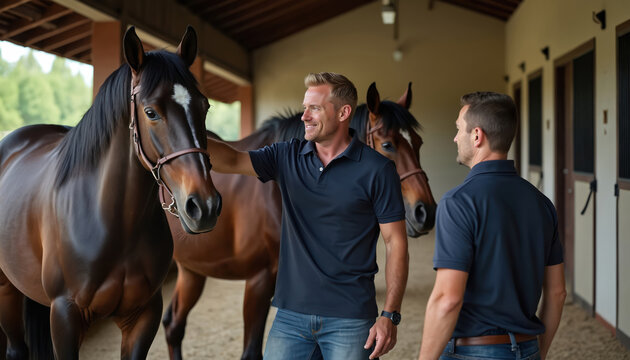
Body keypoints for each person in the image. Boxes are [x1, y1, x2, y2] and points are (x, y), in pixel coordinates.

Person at [207, 72, 409, 359]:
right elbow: (230, 159)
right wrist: (180, 131)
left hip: (350, 320)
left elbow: (396, 243)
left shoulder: (377, 170)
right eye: (305, 107)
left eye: (315, 108)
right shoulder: (286, 156)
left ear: (343, 112)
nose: (305, 116)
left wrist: (390, 314)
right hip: (290, 318)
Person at [417, 92, 567, 360]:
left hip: (472, 352)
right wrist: (538, 351)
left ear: (477, 136)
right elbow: (557, 293)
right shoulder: (542, 203)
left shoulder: (458, 201)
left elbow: (447, 299)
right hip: (527, 347)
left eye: (458, 129)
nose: (455, 138)